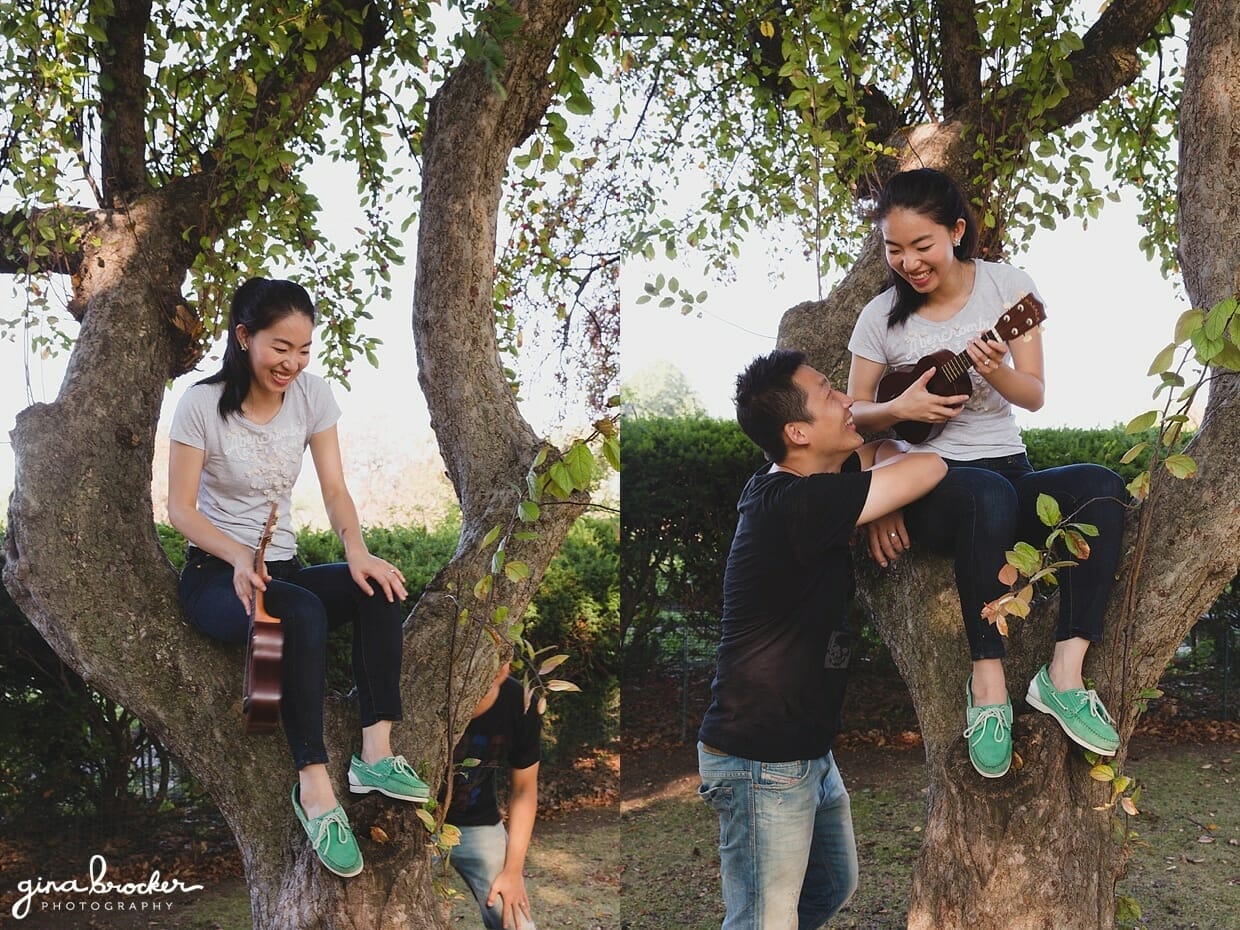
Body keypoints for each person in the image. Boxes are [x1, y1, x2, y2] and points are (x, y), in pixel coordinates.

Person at [846, 167, 1128, 779]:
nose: (909, 263)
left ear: (956, 231)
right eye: (895, 249)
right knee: (984, 497)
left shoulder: (1007, 287)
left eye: (922, 246)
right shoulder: (878, 318)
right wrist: (900, 412)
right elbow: (852, 419)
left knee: (1102, 489)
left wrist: (994, 370)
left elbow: (1033, 394)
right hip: (932, 484)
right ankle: (989, 684)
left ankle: (1064, 675)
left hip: (1007, 468)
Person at [168, 276, 429, 879]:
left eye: (304, 348)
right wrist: (235, 556)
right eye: (280, 347)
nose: (293, 361)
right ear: (243, 338)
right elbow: (180, 508)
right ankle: (314, 786)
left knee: (377, 587)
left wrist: (358, 551)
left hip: (282, 569)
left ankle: (375, 752)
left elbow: (334, 489)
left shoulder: (313, 396)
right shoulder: (200, 403)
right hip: (216, 574)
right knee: (301, 612)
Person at [698, 348, 947, 930]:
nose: (846, 399)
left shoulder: (800, 491)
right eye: (830, 393)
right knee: (762, 921)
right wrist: (888, 427)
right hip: (762, 758)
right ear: (797, 431)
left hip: (803, 750)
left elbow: (873, 465)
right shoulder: (797, 504)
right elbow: (929, 467)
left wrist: (873, 485)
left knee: (833, 883)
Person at [443, 660, 541, 930]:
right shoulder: (427, 691)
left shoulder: (519, 702)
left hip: (475, 825)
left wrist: (512, 871)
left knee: (517, 923)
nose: (497, 665)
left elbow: (524, 789)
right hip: (409, 823)